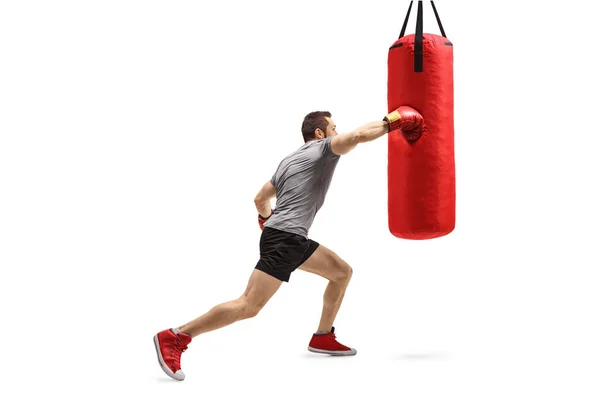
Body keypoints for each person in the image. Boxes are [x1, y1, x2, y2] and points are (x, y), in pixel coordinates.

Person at [153, 105, 425, 381]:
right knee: (248, 305)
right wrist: (393, 121)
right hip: (284, 239)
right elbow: (357, 137)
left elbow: (260, 199)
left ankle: (322, 336)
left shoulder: (288, 161)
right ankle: (176, 336)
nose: (337, 133)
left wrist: (266, 220)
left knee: (341, 272)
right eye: (333, 129)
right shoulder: (323, 149)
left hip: (291, 237)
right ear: (320, 133)